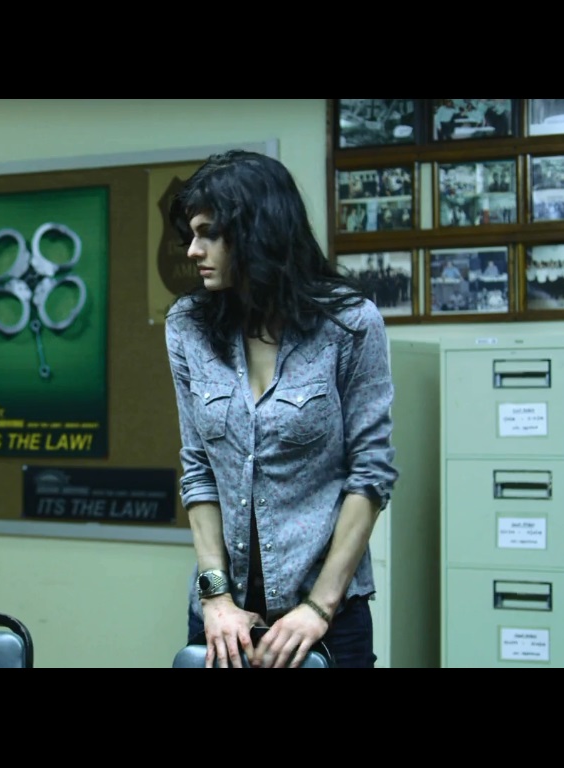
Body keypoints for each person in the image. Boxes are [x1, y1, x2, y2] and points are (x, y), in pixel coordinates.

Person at [164, 150, 398, 668]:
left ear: (255, 231)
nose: (194, 251)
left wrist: (319, 606)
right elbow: (198, 470)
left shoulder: (351, 324)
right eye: (191, 235)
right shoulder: (187, 325)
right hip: (223, 620)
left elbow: (371, 474)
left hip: (327, 617)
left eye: (208, 234)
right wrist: (216, 598)